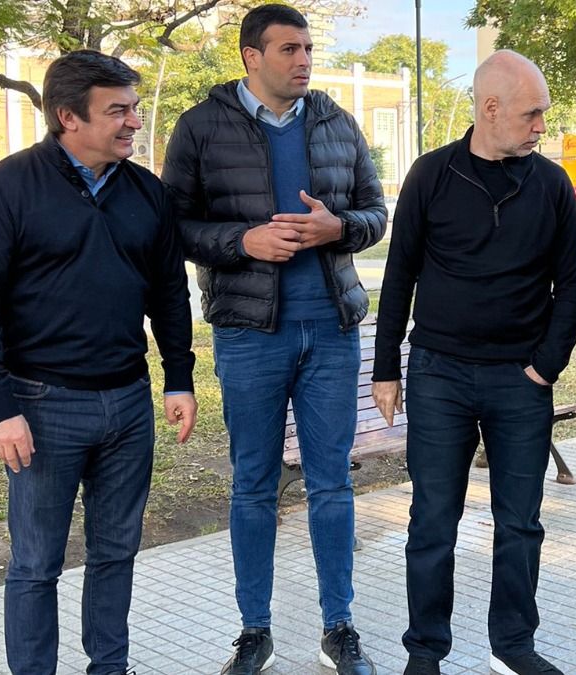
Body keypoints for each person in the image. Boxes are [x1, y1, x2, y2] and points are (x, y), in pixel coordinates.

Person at [0, 50, 197, 675]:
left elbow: (168, 291)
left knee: (117, 553)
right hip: (39, 407)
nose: (134, 121)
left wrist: (180, 378)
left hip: (128, 406)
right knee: (36, 564)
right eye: (118, 110)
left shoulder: (147, 192)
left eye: (134, 107)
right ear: (68, 117)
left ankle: (109, 667)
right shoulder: (3, 190)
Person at [161, 4, 386, 674]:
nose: (304, 60)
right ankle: (253, 629)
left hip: (332, 332)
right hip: (249, 334)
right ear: (250, 57)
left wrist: (337, 228)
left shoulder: (337, 122)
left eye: (309, 48)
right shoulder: (201, 127)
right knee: (253, 485)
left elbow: (377, 213)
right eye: (289, 49)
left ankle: (337, 626)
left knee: (332, 485)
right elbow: (169, 226)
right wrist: (243, 241)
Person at [371, 50, 576, 675]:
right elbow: (400, 273)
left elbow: (569, 283)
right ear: (490, 109)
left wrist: (547, 366)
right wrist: (388, 368)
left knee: (520, 523)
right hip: (439, 375)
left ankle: (513, 646)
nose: (542, 126)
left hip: (520, 379)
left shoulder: (550, 184)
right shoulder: (431, 174)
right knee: (433, 520)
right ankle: (425, 651)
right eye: (532, 114)